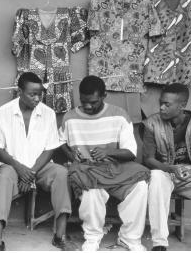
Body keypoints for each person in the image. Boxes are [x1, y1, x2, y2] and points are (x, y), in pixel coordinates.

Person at [0, 72, 77, 251]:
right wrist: (20, 169)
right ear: (19, 91)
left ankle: (60, 236)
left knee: (61, 173)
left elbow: (50, 147)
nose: (37, 98)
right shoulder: (3, 112)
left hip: (40, 167)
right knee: (4, 178)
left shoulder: (48, 113)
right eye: (32, 94)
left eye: (40, 94)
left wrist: (31, 173)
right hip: (12, 165)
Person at [59, 75, 150, 251]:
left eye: (92, 102)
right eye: (83, 101)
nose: (87, 106)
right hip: (87, 170)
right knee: (90, 188)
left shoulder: (119, 115)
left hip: (115, 169)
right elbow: (60, 140)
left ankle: (129, 238)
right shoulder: (69, 118)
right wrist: (71, 154)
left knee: (139, 185)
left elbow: (130, 153)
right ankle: (93, 237)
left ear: (104, 95)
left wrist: (108, 152)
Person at [142, 83, 191, 251]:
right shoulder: (152, 123)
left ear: (182, 106)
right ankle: (159, 243)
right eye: (161, 102)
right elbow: (148, 159)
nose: (161, 107)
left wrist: (188, 171)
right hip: (164, 173)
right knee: (157, 178)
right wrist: (171, 169)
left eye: (167, 104)